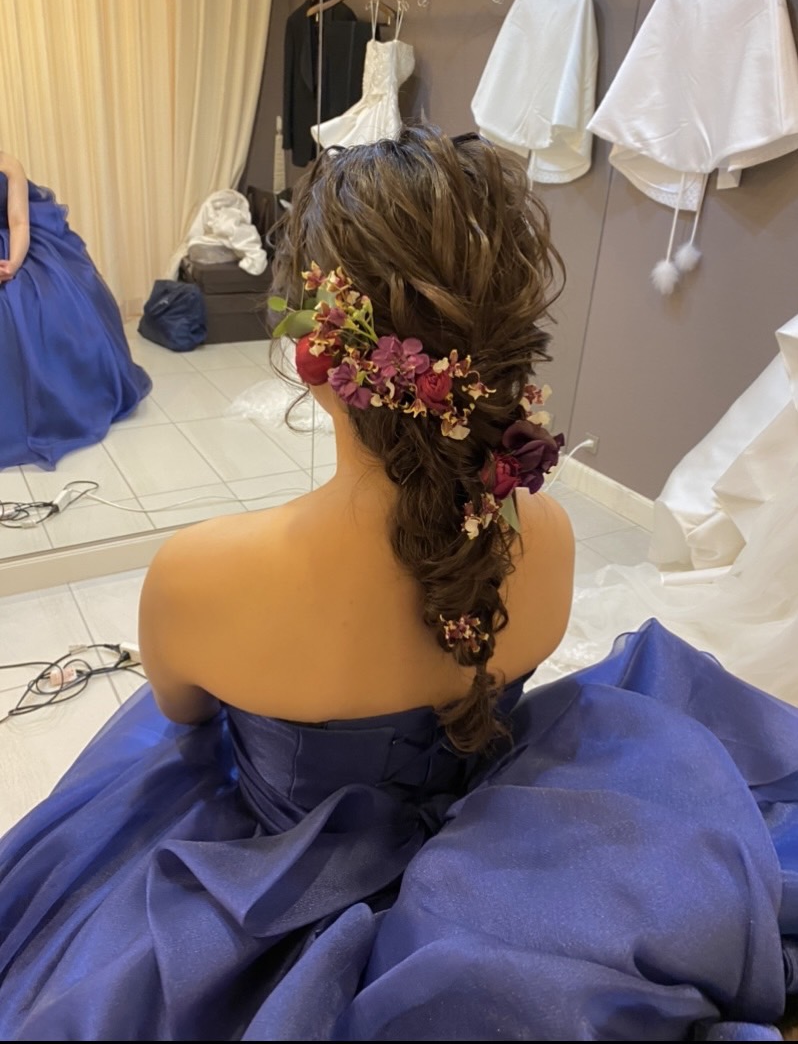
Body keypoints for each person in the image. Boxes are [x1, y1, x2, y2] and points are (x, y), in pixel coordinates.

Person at [1, 127, 797, 1042]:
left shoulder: (202, 575)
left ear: (313, 353)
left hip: (271, 884)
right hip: (520, 869)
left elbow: (184, 724)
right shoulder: (550, 534)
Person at [0, 150, 151, 470]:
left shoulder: (8, 163)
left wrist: (12, 265)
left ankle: (61, 406)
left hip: (13, 249)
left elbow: (19, 221)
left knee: (46, 304)